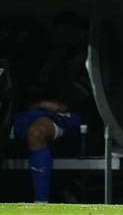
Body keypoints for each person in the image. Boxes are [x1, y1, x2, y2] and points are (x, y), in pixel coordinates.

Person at [10, 11, 92, 203]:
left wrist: (60, 64)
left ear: (79, 34)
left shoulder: (86, 62)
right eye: (57, 33)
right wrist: (42, 102)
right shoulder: (46, 62)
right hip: (36, 110)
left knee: (36, 132)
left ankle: (41, 204)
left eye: (66, 32)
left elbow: (69, 101)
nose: (61, 38)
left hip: (71, 118)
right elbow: (28, 96)